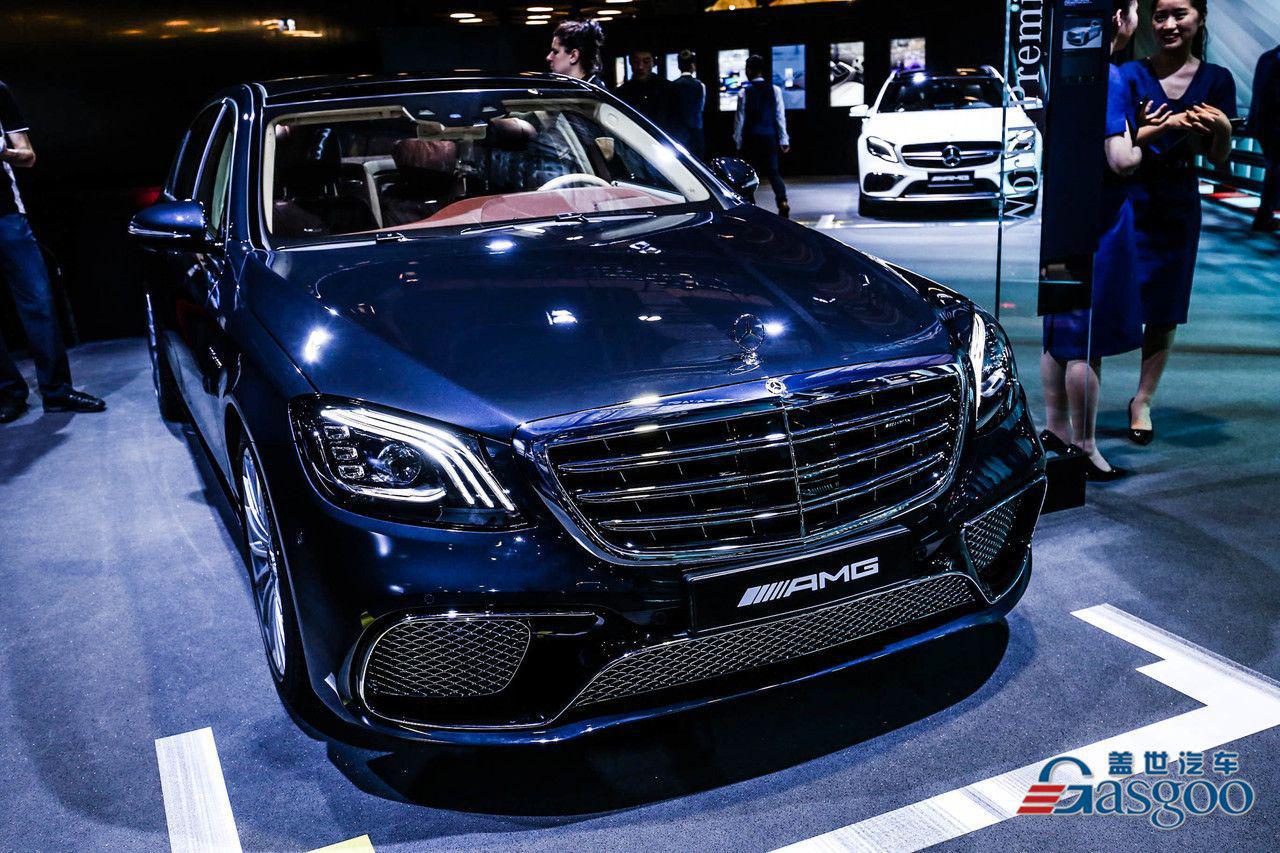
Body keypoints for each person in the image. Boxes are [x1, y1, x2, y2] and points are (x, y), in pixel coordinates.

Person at [1120, 0, 1235, 445]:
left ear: (1199, 19)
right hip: (1126, 201)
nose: (1168, 24)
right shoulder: (1130, 74)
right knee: (1112, 299)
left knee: (1164, 310)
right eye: (1160, 15)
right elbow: (1113, 140)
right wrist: (1165, 126)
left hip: (1177, 204)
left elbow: (1218, 159)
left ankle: (1143, 400)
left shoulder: (1217, 79)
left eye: (1179, 14)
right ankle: (1085, 402)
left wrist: (1222, 130)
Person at [1040, 0, 1144, 480]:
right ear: (1119, 18)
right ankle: (1085, 447)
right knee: (1087, 341)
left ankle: (1055, 429)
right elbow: (1120, 159)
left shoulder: (1060, 72)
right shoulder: (1111, 75)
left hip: (1061, 218)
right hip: (1099, 223)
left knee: (1058, 331)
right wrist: (1146, 141)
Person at [0, 80, 104, 423]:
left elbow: (28, 155)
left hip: (6, 215)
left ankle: (57, 391)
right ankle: (8, 393)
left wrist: (3, 152)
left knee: (39, 301)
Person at [734, 54, 791, 218]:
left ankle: (751, 206)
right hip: (769, 137)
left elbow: (739, 120)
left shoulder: (744, 92)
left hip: (751, 138)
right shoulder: (775, 90)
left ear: (749, 70)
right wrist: (784, 139)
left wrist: (737, 142)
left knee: (750, 175)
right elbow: (780, 116)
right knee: (773, 172)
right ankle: (782, 201)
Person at [1247, 42, 1279, 232]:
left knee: (1273, 168)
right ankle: (1264, 216)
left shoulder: (1268, 58)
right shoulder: (1273, 60)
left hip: (1263, 124)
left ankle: (1265, 215)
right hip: (1274, 125)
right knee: (1275, 169)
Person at [617, 50, 673, 129]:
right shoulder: (620, 93)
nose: (640, 67)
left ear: (653, 63)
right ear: (630, 62)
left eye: (646, 62)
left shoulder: (669, 89)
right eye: (636, 62)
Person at [546, 19, 608, 90]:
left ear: (573, 56)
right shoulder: (580, 89)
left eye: (555, 52)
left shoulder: (593, 93)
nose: (548, 57)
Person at [669, 50, 706, 159]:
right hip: (696, 131)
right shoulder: (700, 85)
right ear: (693, 65)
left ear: (679, 66)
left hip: (678, 132)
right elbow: (701, 107)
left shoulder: (672, 85)